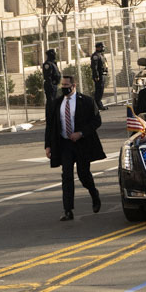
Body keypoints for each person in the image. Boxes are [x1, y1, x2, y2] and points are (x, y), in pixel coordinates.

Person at [45, 73, 104, 221]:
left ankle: (94, 194)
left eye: (66, 85)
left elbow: (96, 121)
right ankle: (68, 210)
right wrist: (48, 146)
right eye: (62, 85)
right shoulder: (57, 103)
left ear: (74, 85)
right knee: (67, 176)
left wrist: (81, 133)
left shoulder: (87, 101)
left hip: (82, 144)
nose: (63, 88)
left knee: (84, 175)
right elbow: (50, 126)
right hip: (65, 144)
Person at [90, 41, 109, 109]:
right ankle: (97, 105)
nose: (103, 48)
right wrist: (96, 76)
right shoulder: (96, 56)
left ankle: (98, 104)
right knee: (99, 91)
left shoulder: (101, 55)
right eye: (102, 47)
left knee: (100, 91)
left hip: (103, 75)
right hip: (99, 76)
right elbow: (94, 67)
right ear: (98, 48)